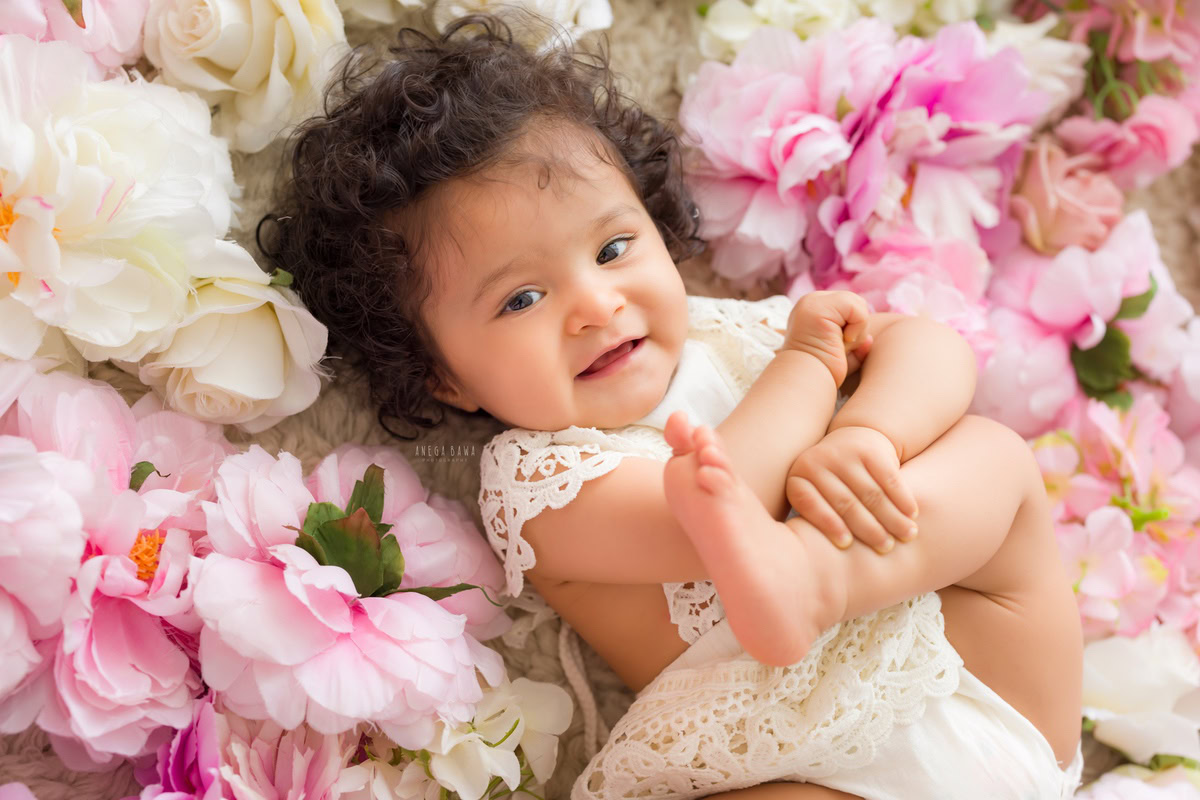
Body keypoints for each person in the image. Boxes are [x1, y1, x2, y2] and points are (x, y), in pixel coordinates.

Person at [261, 13, 1085, 799]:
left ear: (658, 229)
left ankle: (816, 579)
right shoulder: (537, 480)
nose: (595, 305)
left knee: (996, 461)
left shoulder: (739, 329)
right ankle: (801, 582)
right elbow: (707, 510)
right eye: (521, 299)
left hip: (994, 686)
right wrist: (805, 366)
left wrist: (873, 429)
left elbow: (931, 346)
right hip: (805, 763)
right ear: (445, 378)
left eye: (614, 249)